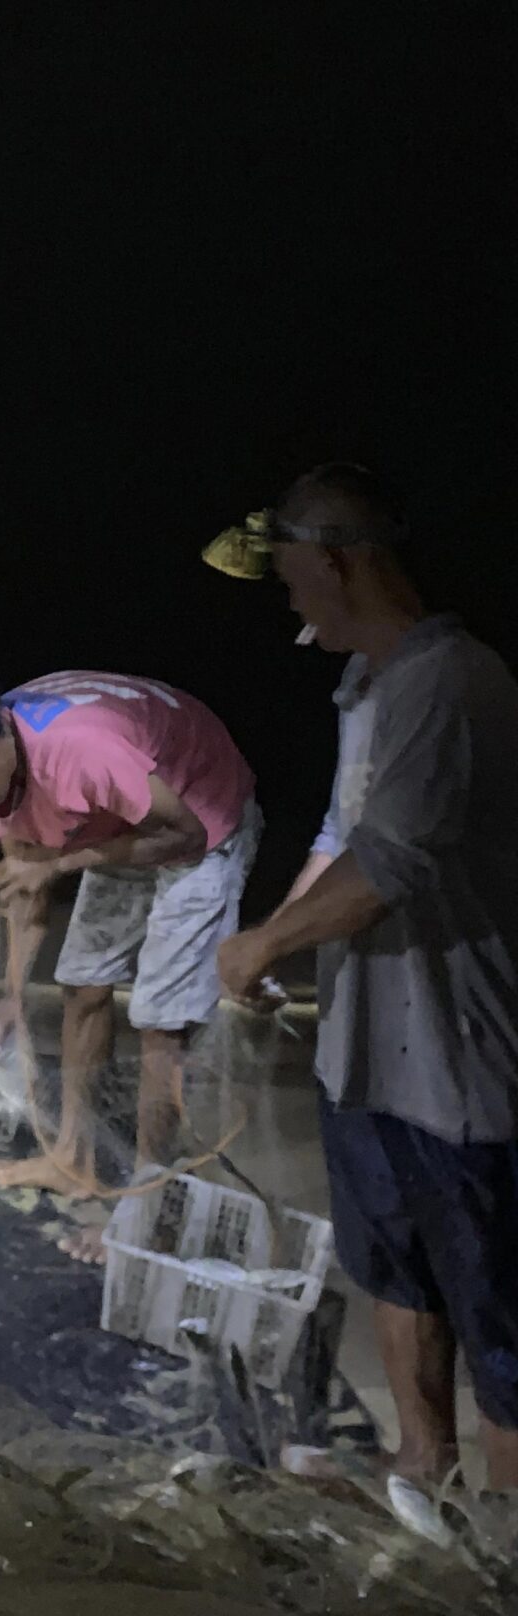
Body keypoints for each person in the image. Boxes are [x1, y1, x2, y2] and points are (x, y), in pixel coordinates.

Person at [213, 464, 518, 1489]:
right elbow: (346, 834)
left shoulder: (450, 679)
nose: (288, 597)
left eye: (291, 573)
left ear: (338, 560)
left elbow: (394, 865)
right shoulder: (368, 690)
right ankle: (421, 1463)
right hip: (366, 1047)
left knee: (498, 1321)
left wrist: (266, 946)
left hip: (456, 1059)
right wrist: (275, 928)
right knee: (395, 1262)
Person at [0, 671, 259, 1233]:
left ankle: (144, 1193)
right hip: (117, 817)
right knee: (81, 982)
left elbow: (183, 836)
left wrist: (63, 862)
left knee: (159, 1016)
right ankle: (73, 1157)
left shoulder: (81, 751)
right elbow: (27, 888)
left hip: (197, 815)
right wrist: (12, 998)